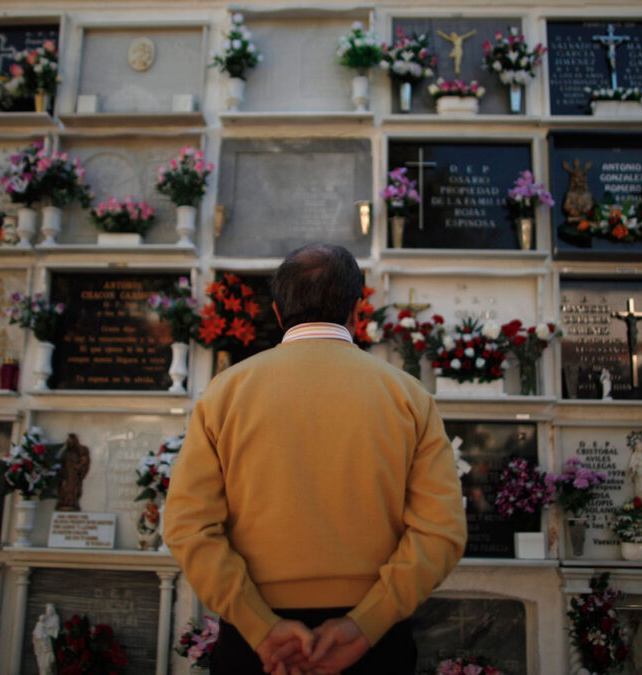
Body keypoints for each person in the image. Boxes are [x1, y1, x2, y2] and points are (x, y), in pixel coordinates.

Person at [164, 243, 467, 675]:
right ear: (357, 310)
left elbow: (188, 525)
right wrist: (365, 626)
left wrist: (261, 627)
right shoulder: (409, 397)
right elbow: (442, 530)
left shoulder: (224, 394)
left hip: (256, 642)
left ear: (277, 309)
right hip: (373, 644)